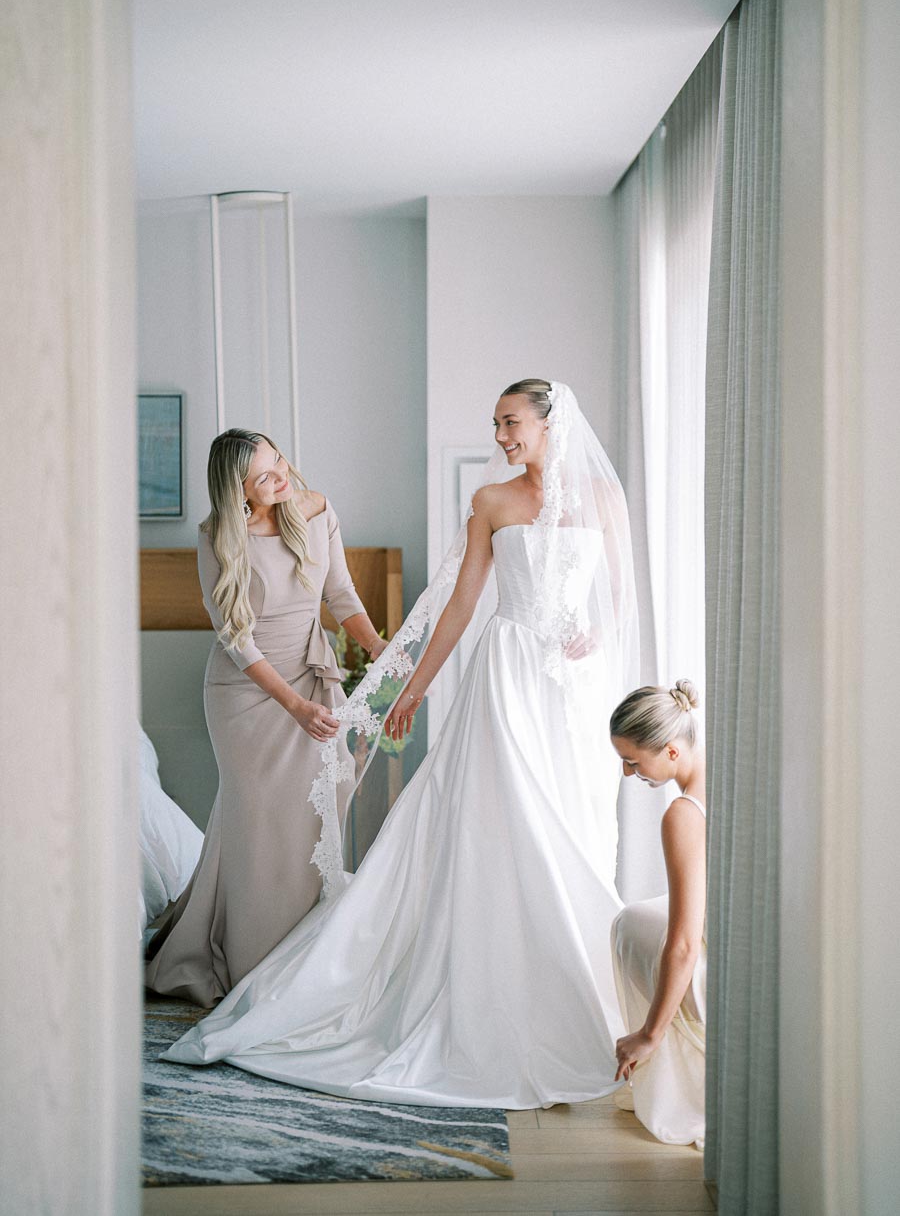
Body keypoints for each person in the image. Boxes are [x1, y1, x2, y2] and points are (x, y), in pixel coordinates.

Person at [161, 380, 640, 1109]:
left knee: (577, 824)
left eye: (511, 423)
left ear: (551, 422)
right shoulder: (491, 504)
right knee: (506, 823)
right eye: (496, 424)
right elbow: (460, 606)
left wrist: (597, 635)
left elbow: (621, 597)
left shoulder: (605, 500)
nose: (501, 436)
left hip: (575, 690)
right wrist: (408, 687)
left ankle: (588, 992)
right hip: (505, 678)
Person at [145, 429, 388, 1007]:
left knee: (308, 819)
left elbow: (343, 596)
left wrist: (377, 646)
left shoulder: (316, 509)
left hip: (312, 677)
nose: (280, 478)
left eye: (277, 462)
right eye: (264, 477)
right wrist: (294, 706)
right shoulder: (216, 537)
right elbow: (235, 637)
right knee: (254, 825)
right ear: (238, 491)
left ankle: (301, 952)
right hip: (248, 695)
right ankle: (248, 960)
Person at [608, 679, 707, 1148]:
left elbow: (685, 943)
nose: (629, 774)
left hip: (712, 946)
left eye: (632, 761)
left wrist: (650, 1031)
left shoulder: (684, 813)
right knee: (639, 917)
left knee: (631, 927)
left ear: (670, 751)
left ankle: (666, 1078)